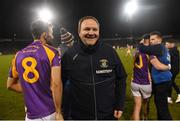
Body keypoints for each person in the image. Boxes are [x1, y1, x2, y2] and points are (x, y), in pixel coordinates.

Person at [61, 16, 127, 120]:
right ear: (79, 32)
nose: (91, 33)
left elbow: (121, 78)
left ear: (99, 32)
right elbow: (62, 84)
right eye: (87, 29)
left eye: (95, 29)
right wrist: (63, 111)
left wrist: (119, 104)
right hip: (79, 117)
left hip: (108, 115)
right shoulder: (69, 55)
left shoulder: (110, 52)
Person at [7, 20, 63, 121]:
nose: (52, 36)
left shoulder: (18, 55)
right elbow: (56, 84)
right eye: (51, 32)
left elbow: (10, 85)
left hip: (30, 116)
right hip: (49, 112)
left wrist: (31, 90)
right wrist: (58, 112)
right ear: (44, 34)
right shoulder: (53, 52)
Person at [139, 31, 172, 120]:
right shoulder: (162, 48)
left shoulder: (158, 48)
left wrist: (141, 44)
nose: (151, 41)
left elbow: (157, 65)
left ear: (160, 40)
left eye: (153, 39)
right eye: (150, 40)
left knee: (162, 109)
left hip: (162, 81)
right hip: (165, 79)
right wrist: (168, 67)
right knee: (160, 105)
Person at [59, 27, 74, 119]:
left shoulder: (60, 48)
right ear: (69, 41)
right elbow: (70, 70)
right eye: (72, 40)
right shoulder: (69, 51)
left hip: (59, 80)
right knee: (69, 107)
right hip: (67, 81)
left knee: (64, 104)